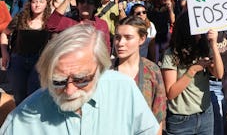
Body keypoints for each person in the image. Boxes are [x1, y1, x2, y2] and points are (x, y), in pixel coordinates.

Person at [0, 24, 160, 134]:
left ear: (100, 69)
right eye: (58, 81)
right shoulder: (23, 118)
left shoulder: (123, 89)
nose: (69, 91)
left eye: (81, 79)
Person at [161, 11, 223, 135]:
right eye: (197, 31)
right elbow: (170, 93)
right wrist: (192, 70)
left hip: (205, 114)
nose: (200, 35)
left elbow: (219, 74)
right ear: (186, 31)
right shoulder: (171, 54)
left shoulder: (203, 47)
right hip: (181, 120)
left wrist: (214, 45)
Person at [113, 17, 167, 129]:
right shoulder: (105, 70)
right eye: (117, 37)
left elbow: (158, 115)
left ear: (142, 39)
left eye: (128, 37)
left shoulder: (152, 70)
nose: (120, 43)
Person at [0, 0, 51, 105]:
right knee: (19, 96)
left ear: (46, 4)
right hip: (18, 60)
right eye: (34, 2)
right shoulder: (21, 17)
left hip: (38, 62)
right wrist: (5, 53)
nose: (37, 5)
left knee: (34, 95)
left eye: (41, 2)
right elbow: (4, 34)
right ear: (30, 3)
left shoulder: (50, 22)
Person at [46, 0, 111, 53]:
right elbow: (50, 26)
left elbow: (106, 48)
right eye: (82, 1)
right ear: (77, 5)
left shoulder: (101, 24)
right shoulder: (68, 21)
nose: (85, 5)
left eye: (90, 2)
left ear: (95, 6)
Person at [147, 0, 175, 64]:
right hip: (153, 37)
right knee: (154, 61)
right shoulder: (150, 5)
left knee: (166, 60)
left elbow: (172, 21)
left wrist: (170, 9)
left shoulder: (169, 7)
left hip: (165, 35)